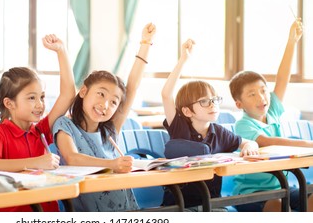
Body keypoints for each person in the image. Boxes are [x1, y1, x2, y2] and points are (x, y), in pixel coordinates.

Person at [52, 23, 156, 212]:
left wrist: (146, 43)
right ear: (83, 91)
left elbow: (132, 87)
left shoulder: (110, 129)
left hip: (126, 211)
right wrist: (112, 164)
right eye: (101, 94)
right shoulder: (64, 125)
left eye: (114, 102)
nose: (105, 105)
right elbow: (72, 158)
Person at [0, 34, 76, 212]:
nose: (40, 104)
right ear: (9, 103)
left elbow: (68, 94)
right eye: (32, 98)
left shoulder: (41, 130)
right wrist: (36, 162)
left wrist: (61, 52)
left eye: (42, 97)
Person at [160, 39, 259, 211]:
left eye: (214, 100)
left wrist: (250, 145)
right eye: (204, 101)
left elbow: (247, 142)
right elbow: (166, 94)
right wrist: (183, 60)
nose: (213, 105)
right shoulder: (179, 127)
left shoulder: (219, 132)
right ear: (187, 111)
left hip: (212, 205)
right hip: (179, 207)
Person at [229, 18, 313, 212]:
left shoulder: (272, 110)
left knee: (308, 195)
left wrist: (292, 42)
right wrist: (309, 144)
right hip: (249, 194)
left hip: (282, 188)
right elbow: (269, 142)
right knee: (277, 204)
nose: (261, 97)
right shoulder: (243, 125)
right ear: (239, 104)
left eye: (264, 90)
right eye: (252, 94)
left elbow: (283, 77)